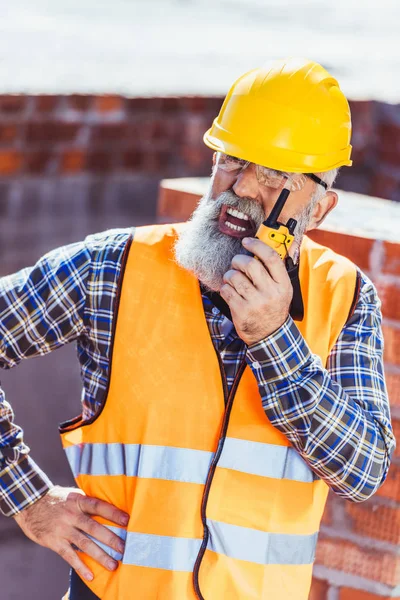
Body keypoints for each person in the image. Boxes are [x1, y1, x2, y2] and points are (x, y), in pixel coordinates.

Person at [0, 58, 395, 600]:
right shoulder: (109, 269)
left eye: (277, 175)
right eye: (233, 160)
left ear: (321, 208)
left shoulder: (346, 297)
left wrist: (274, 337)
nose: (243, 188)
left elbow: (362, 468)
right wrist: (27, 499)